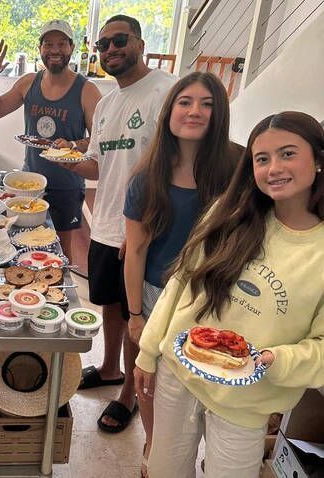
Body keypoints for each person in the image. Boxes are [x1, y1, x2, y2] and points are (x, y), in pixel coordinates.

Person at [135, 111, 324, 478]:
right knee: (164, 470)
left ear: (318, 159)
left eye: (288, 154)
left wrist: (275, 361)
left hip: (248, 399)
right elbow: (180, 284)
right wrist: (148, 351)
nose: (273, 169)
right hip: (180, 372)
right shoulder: (228, 214)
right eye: (262, 159)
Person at [122, 72, 241, 477]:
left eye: (207, 104)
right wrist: (135, 315)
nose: (195, 111)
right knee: (152, 379)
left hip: (218, 297)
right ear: (169, 111)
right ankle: (154, 444)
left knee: (211, 380)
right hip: (158, 297)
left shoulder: (238, 171)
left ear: (220, 113)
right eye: (185, 102)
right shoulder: (147, 178)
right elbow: (135, 252)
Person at [63, 15, 176, 433]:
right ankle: (110, 368)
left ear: (140, 44)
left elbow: (177, 166)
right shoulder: (107, 104)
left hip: (143, 230)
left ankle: (130, 392)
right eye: (103, 44)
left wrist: (149, 227)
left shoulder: (166, 91)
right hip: (107, 223)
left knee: (136, 317)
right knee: (110, 304)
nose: (110, 49)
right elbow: (98, 166)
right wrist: (68, 161)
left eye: (119, 40)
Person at [0, 20, 101, 261]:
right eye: (48, 44)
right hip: (30, 184)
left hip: (67, 185)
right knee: (23, 245)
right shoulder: (28, 83)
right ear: (40, 48)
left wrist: (72, 145)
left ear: (72, 47)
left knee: (61, 252)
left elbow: (99, 140)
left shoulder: (87, 90)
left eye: (61, 44)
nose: (54, 50)